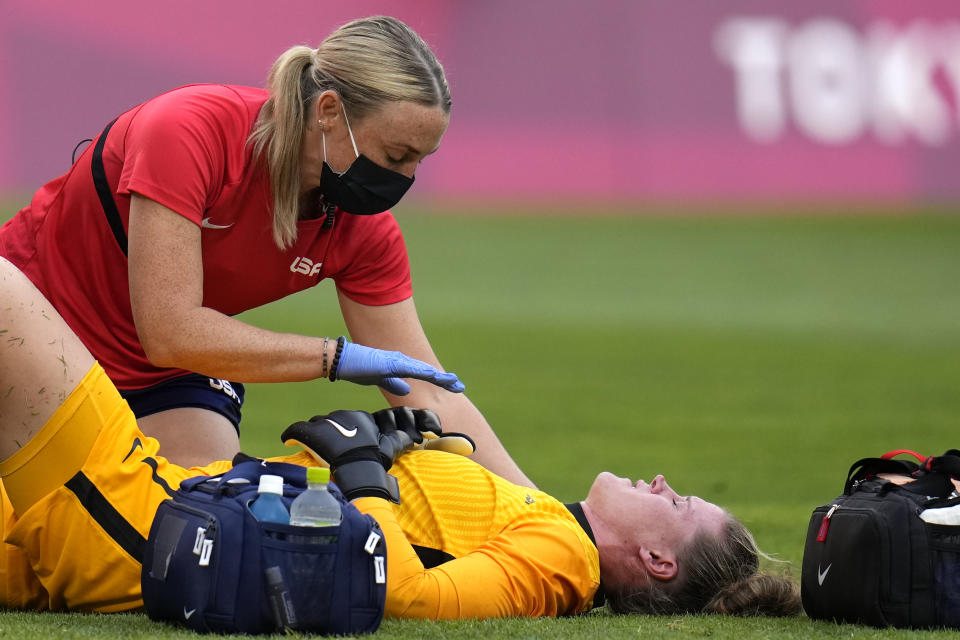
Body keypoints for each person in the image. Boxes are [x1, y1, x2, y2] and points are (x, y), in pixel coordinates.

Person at [0, 257, 800, 618]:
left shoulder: (563, 563)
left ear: (658, 563)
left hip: (158, 525)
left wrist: (363, 470)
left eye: (682, 503)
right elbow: (427, 530)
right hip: (182, 507)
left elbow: (407, 593)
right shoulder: (543, 518)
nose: (663, 481)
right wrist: (393, 445)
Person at [0, 16, 532, 486]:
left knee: (198, 518)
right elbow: (169, 331)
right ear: (328, 110)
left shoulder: (366, 232)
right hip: (36, 332)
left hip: (167, 376)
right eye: (396, 155)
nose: (407, 179)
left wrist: (554, 518)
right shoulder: (188, 131)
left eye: (421, 160)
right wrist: (335, 357)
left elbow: (433, 397)